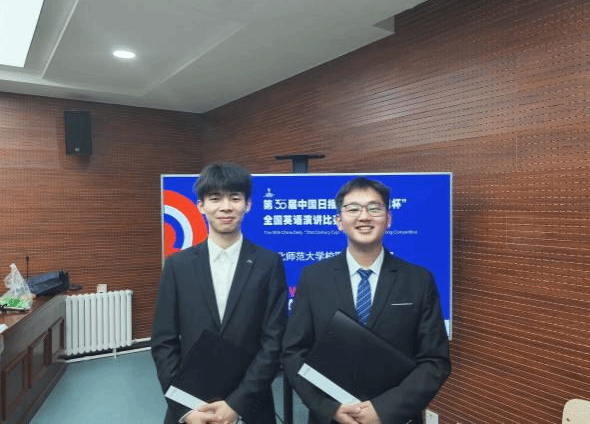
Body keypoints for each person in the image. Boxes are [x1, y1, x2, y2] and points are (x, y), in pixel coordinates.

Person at [281, 177, 450, 424]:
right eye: (353, 209)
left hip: (396, 417)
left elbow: (434, 360)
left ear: (388, 219)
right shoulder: (313, 277)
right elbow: (294, 352)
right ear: (339, 221)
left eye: (374, 208)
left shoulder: (418, 280)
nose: (364, 217)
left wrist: (383, 409)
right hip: (331, 417)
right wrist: (329, 408)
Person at [152, 162, 288, 424]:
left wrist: (236, 404)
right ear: (201, 206)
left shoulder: (269, 264)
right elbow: (163, 341)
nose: (226, 207)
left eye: (235, 198)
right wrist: (185, 408)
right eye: (215, 198)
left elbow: (274, 341)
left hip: (252, 404)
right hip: (190, 402)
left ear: (247, 204)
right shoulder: (178, 265)